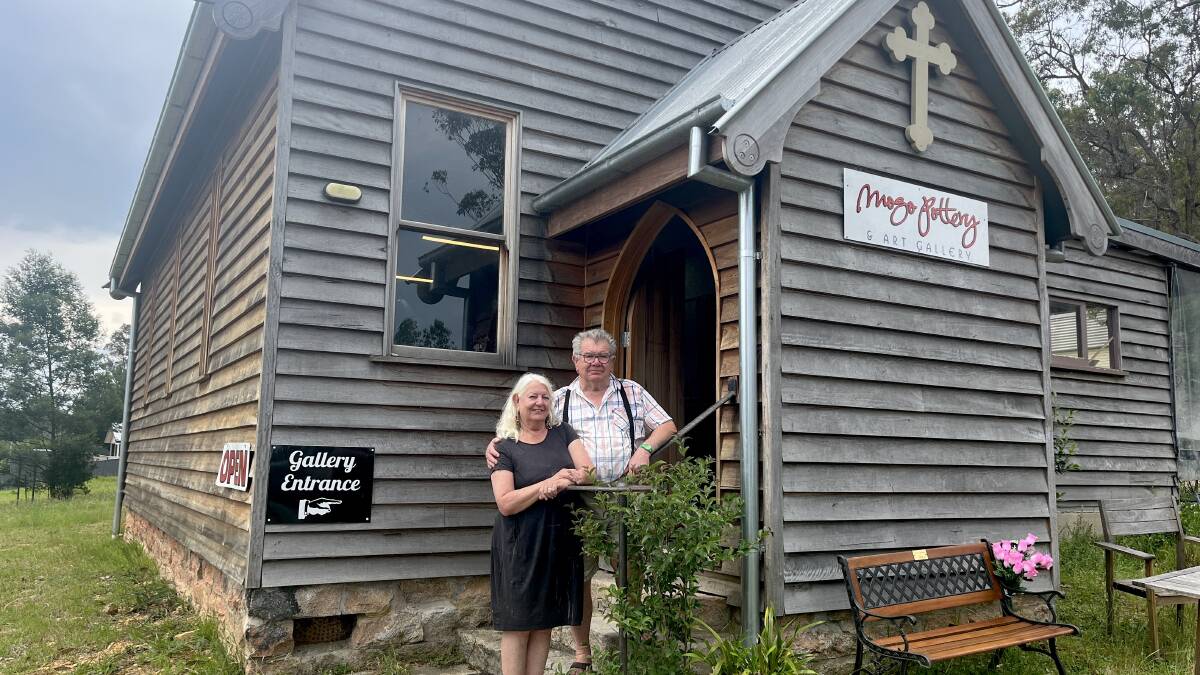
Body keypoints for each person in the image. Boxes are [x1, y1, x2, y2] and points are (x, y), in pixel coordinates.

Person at [486, 328, 678, 671]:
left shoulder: (631, 391)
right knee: (580, 576)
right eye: (588, 356)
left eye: (603, 356)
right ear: (575, 361)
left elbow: (666, 425)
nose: (596, 362)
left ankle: (633, 635)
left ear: (612, 360)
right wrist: (495, 443)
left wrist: (646, 449)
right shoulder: (559, 398)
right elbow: (523, 421)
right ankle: (582, 652)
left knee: (628, 569)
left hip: (623, 495)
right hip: (577, 500)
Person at [489, 373, 593, 675]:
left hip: (557, 540)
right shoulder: (504, 447)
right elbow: (505, 502)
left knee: (543, 621)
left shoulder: (563, 432)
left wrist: (568, 477)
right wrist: (547, 484)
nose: (539, 402)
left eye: (545, 397)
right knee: (519, 623)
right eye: (533, 396)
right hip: (519, 544)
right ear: (517, 402)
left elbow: (587, 470)